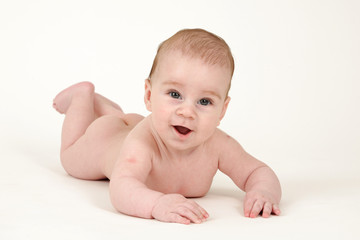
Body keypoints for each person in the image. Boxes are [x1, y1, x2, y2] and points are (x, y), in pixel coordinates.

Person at [53, 28, 281, 224]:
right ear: (149, 95)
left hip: (130, 124)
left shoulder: (218, 144)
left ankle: (105, 107)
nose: (187, 112)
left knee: (121, 121)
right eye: (175, 94)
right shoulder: (142, 144)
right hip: (106, 138)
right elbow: (121, 188)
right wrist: (156, 203)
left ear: (222, 110)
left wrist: (263, 190)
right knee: (70, 158)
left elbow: (257, 171)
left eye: (204, 101)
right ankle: (81, 98)